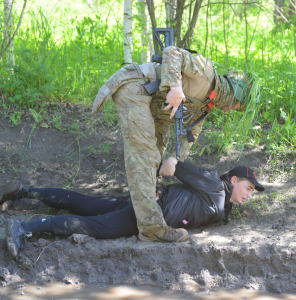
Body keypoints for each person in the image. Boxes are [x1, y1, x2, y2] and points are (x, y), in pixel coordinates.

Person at [91, 46, 260, 243]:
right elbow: (172, 52)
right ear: (232, 95)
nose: (227, 111)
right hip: (135, 87)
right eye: (234, 107)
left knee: (158, 154)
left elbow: (189, 136)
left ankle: (149, 198)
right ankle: (151, 227)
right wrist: (175, 88)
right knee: (145, 156)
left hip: (153, 104)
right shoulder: (205, 74)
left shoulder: (205, 105)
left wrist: (173, 161)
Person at [0, 157, 265, 258]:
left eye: (252, 191)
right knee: (93, 226)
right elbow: (172, 165)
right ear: (233, 180)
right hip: (148, 214)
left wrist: (161, 192)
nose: (249, 194)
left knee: (85, 202)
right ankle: (23, 227)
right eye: (248, 187)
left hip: (150, 203)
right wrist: (164, 184)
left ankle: (25, 192)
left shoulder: (222, 204)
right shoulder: (215, 186)